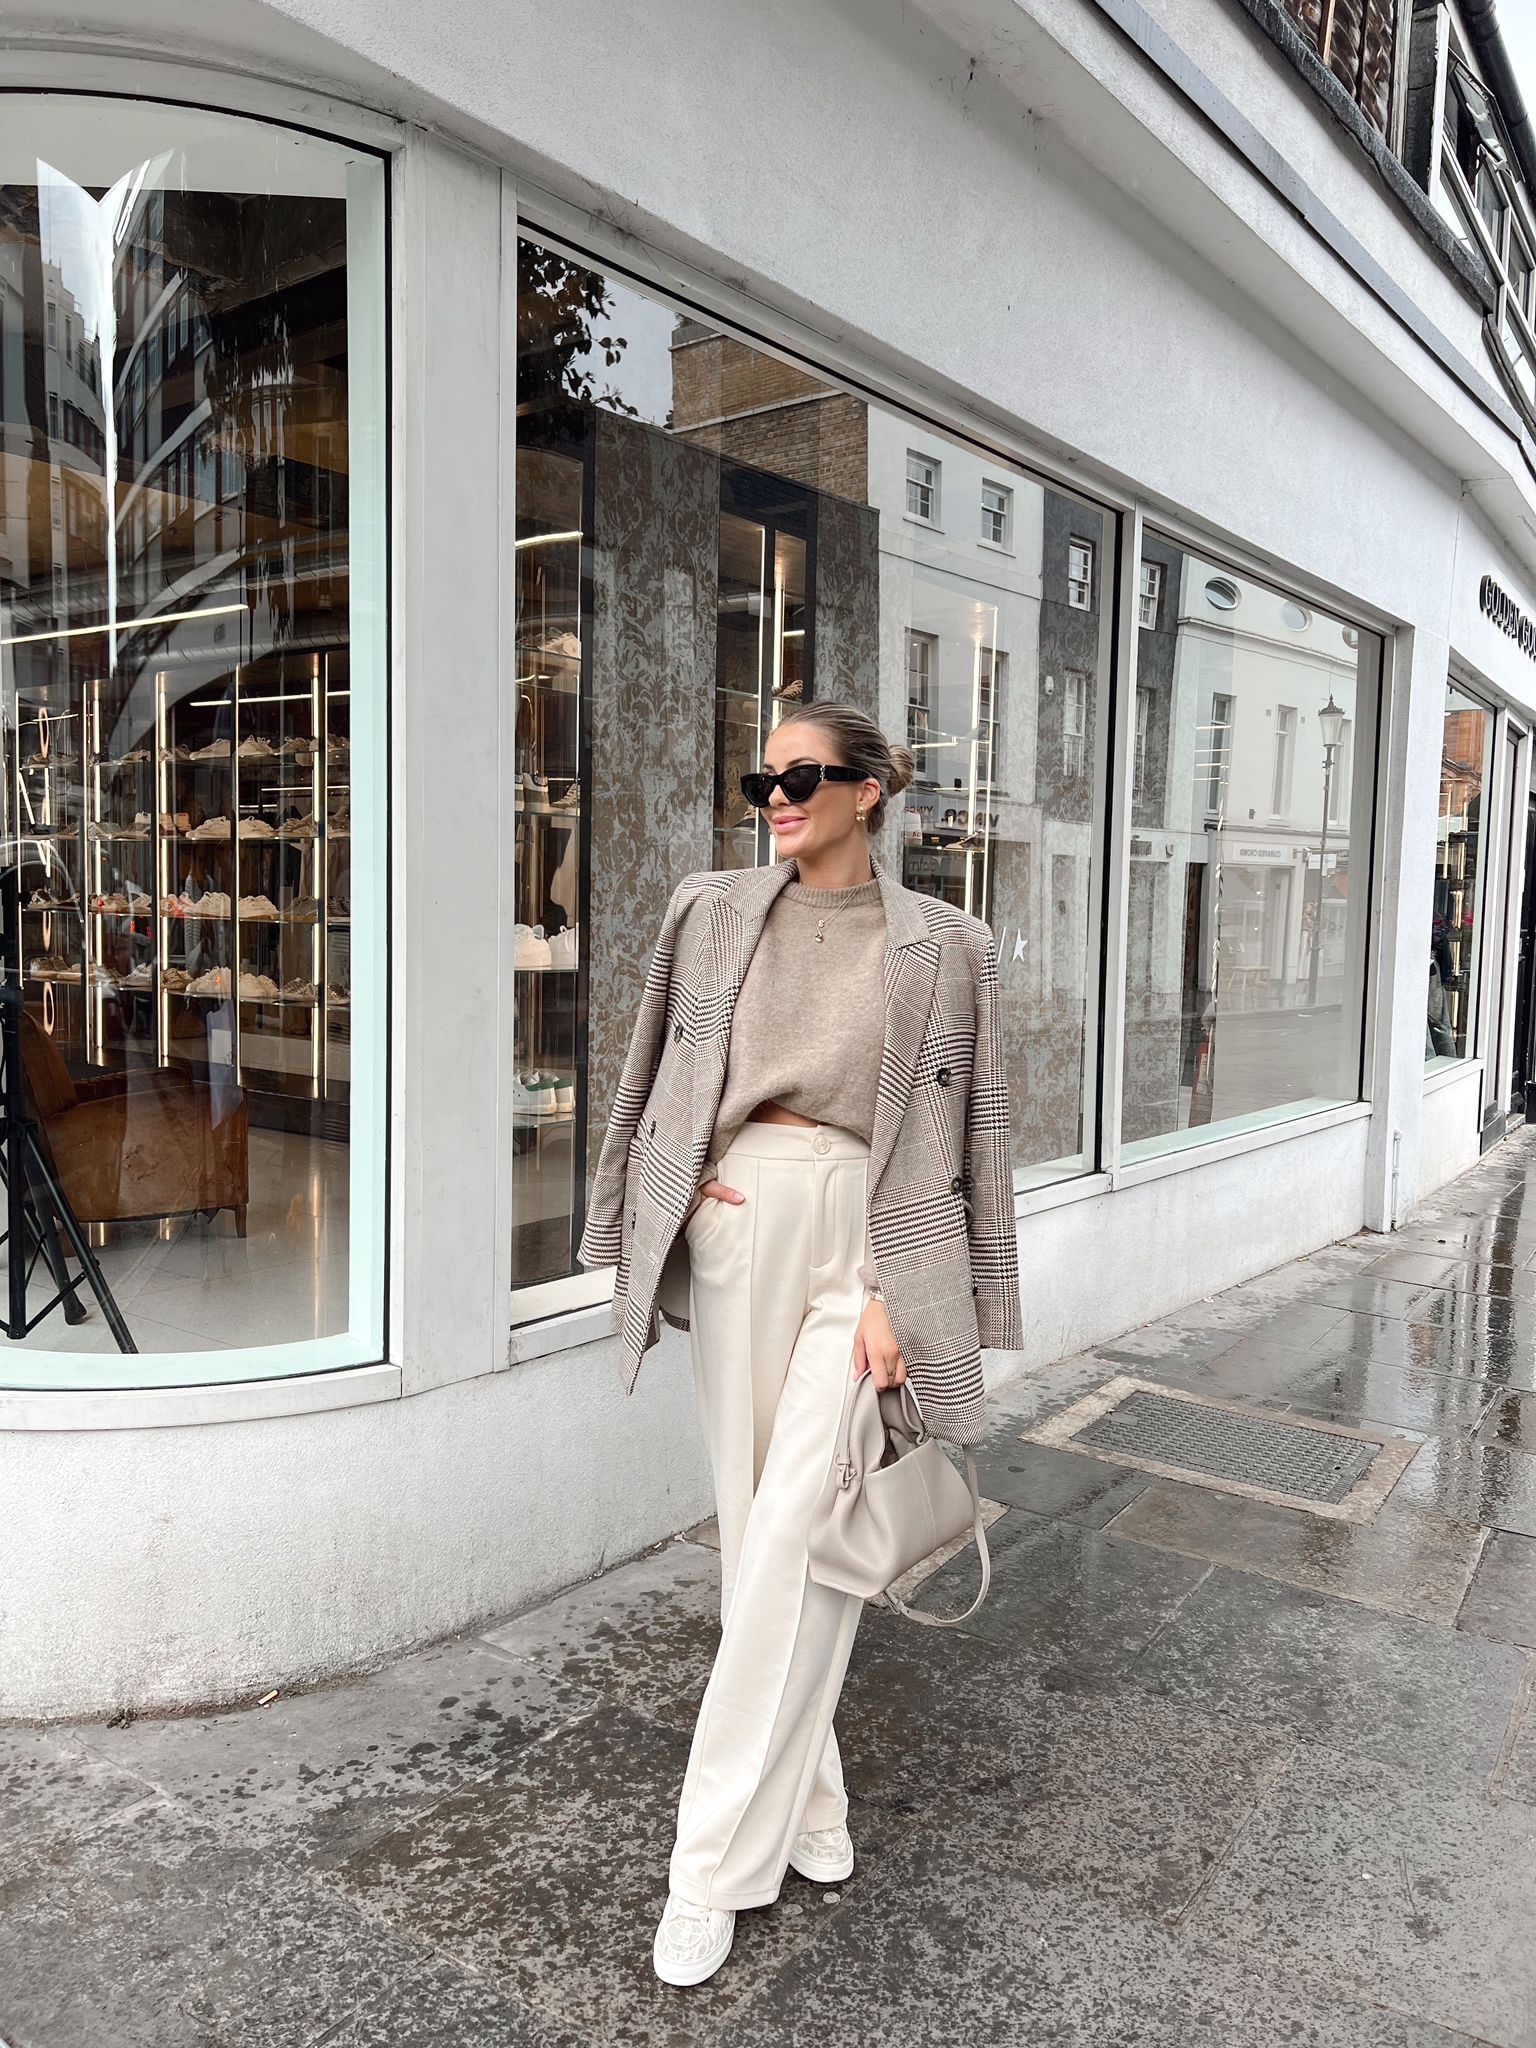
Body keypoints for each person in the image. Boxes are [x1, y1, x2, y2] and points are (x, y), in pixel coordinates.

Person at [576, 701, 1023, 1988]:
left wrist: (911, 1291)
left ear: (871, 789)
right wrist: (688, 1172)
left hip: (872, 1240)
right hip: (740, 1220)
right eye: (761, 775)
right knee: (755, 1526)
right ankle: (810, 1807)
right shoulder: (710, 905)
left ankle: (708, 1864)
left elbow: (974, 1134)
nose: (776, 795)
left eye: (803, 775)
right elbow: (652, 1059)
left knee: (794, 1530)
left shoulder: (947, 945)